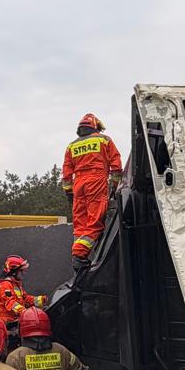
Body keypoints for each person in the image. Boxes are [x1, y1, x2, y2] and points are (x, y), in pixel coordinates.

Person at [62, 112, 123, 267]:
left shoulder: (71, 146)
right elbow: (116, 166)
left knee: (80, 224)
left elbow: (67, 172)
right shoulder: (105, 140)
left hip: (78, 185)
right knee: (95, 221)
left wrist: (69, 193)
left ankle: (78, 255)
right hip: (96, 181)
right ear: (95, 126)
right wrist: (116, 187)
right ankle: (80, 255)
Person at [0, 255, 41, 340]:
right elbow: (11, 303)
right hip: (7, 325)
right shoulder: (5, 285)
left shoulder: (16, 285)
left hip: (15, 323)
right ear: (13, 272)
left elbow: (26, 299)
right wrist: (24, 312)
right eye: (21, 271)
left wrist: (42, 299)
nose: (23, 273)